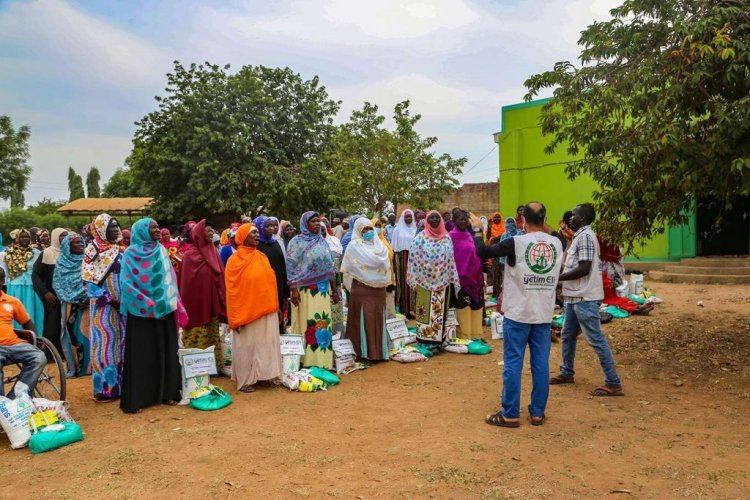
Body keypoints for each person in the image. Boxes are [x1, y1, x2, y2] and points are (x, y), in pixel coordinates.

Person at [475, 202, 565, 428]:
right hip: (543, 314)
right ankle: (537, 413)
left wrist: (477, 229)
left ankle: (510, 413)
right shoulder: (557, 243)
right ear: (544, 220)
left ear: (523, 219)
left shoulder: (516, 242)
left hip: (518, 313)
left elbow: (483, 251)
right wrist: (544, 224)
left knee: (513, 362)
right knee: (540, 364)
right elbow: (554, 232)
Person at [553, 203, 624, 397]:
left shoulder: (584, 237)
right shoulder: (579, 237)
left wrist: (558, 279)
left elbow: (584, 268)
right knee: (567, 336)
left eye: (574, 215)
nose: (570, 218)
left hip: (584, 298)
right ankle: (567, 372)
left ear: (583, 218)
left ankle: (613, 382)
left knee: (596, 339)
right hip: (575, 296)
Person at [119, 218, 182, 413]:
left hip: (164, 310)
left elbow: (170, 279)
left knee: (165, 350)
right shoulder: (129, 254)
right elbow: (126, 283)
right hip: (140, 313)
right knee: (142, 355)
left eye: (157, 227)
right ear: (142, 231)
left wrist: (166, 301)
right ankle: (140, 398)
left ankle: (168, 393)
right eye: (152, 227)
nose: (156, 230)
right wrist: (147, 303)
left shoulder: (161, 250)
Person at [225, 223, 281, 392]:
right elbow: (232, 290)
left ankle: (264, 376)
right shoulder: (234, 260)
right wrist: (236, 316)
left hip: (266, 309)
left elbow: (270, 283)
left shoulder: (262, 256)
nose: (257, 235)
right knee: (247, 346)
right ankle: (246, 380)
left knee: (265, 344)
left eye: (257, 232)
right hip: (246, 312)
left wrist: (276, 306)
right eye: (252, 233)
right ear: (242, 237)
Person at [286, 211, 339, 369]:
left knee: (322, 323)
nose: (317, 224)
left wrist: (334, 290)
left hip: (322, 290)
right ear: (305, 224)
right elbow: (291, 266)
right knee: (308, 322)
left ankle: (322, 361)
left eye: (318, 221)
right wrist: (294, 290)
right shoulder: (296, 242)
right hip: (305, 291)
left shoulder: (322, 241)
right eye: (313, 221)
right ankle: (307, 361)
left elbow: (330, 268)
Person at [82, 214, 126, 402]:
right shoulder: (92, 251)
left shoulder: (119, 249)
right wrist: (108, 299)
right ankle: (104, 390)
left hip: (122, 306)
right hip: (102, 307)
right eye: (111, 227)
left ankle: (120, 386)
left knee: (120, 344)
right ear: (100, 229)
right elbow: (87, 280)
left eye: (117, 227)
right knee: (104, 346)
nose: (116, 230)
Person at [179, 220, 227, 371]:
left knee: (213, 331)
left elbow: (220, 276)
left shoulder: (214, 251)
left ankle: (213, 367)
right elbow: (186, 284)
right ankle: (195, 368)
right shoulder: (189, 256)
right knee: (196, 332)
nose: (211, 233)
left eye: (212, 230)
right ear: (199, 233)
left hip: (212, 302)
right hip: (196, 303)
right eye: (207, 230)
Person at [341, 218, 392, 361]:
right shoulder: (353, 246)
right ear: (358, 230)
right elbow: (348, 269)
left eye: (370, 228)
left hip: (379, 290)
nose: (368, 232)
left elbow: (385, 266)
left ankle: (379, 352)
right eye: (364, 229)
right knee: (363, 318)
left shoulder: (380, 246)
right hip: (361, 289)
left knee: (377, 318)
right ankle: (362, 352)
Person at [407, 210, 460, 345]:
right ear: (427, 221)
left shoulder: (447, 238)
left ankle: (439, 341)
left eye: (437, 217)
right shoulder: (420, 238)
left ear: (441, 220)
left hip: (443, 282)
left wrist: (451, 276)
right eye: (432, 217)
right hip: (423, 282)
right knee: (424, 311)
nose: (435, 219)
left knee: (439, 312)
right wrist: (421, 273)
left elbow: (451, 260)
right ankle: (424, 340)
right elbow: (413, 259)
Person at [0, 267, 45, 397]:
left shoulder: (12, 301)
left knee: (39, 357)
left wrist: (36, 339)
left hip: (15, 344)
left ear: (2, 281)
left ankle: (14, 398)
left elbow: (27, 323)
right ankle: (1, 405)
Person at [53, 233, 91, 377]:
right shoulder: (61, 263)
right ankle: (74, 366)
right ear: (67, 246)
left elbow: (94, 280)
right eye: (76, 243)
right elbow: (58, 285)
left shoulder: (89, 261)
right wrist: (74, 298)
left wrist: (88, 296)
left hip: (88, 305)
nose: (81, 245)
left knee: (87, 334)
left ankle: (89, 367)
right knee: (71, 335)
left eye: (81, 242)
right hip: (70, 305)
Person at [449, 210, 485, 339]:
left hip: (473, 277)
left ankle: (476, 335)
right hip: (459, 278)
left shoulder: (469, 235)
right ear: (454, 221)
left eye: (465, 219)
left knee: (476, 305)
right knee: (462, 305)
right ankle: (464, 335)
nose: (464, 221)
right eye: (460, 219)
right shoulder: (450, 237)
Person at [32, 227, 68, 355]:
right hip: (53, 297)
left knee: (67, 326)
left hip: (69, 297)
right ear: (55, 237)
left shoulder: (70, 251)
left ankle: (66, 354)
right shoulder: (47, 253)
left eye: (66, 236)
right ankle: (50, 354)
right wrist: (45, 293)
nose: (64, 238)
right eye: (61, 236)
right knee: (52, 326)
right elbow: (36, 275)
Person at [1, 229, 44, 333]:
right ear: (17, 239)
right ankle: (16, 336)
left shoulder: (37, 253)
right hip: (15, 287)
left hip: (31, 288)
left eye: (27, 237)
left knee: (32, 312)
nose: (24, 239)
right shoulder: (9, 253)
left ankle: (35, 337)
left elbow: (40, 271)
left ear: (30, 239)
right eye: (22, 237)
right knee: (15, 312)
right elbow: (6, 272)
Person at [254, 216, 289, 335]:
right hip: (263, 289)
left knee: (277, 317)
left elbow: (282, 266)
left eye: (272, 225)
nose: (270, 228)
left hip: (277, 286)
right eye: (267, 226)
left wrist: (285, 292)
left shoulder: (275, 243)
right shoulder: (256, 246)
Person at [390, 209, 417, 317]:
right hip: (401, 258)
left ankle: (412, 309)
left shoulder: (415, 229)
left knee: (412, 283)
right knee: (402, 283)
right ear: (402, 218)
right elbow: (394, 247)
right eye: (406, 217)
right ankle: (403, 309)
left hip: (413, 258)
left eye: (410, 216)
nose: (408, 218)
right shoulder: (398, 230)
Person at [371, 217, 397, 317]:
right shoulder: (370, 242)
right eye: (375, 225)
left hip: (388, 276)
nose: (378, 227)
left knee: (388, 300)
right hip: (376, 278)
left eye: (379, 225)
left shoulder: (384, 240)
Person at [486, 212, 506, 298]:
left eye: (498, 217)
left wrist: (497, 238)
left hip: (503, 253)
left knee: (503, 274)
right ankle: (496, 294)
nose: (497, 219)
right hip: (494, 253)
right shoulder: (491, 227)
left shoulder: (504, 228)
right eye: (495, 218)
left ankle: (503, 295)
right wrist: (489, 228)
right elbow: (487, 237)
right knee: (495, 273)